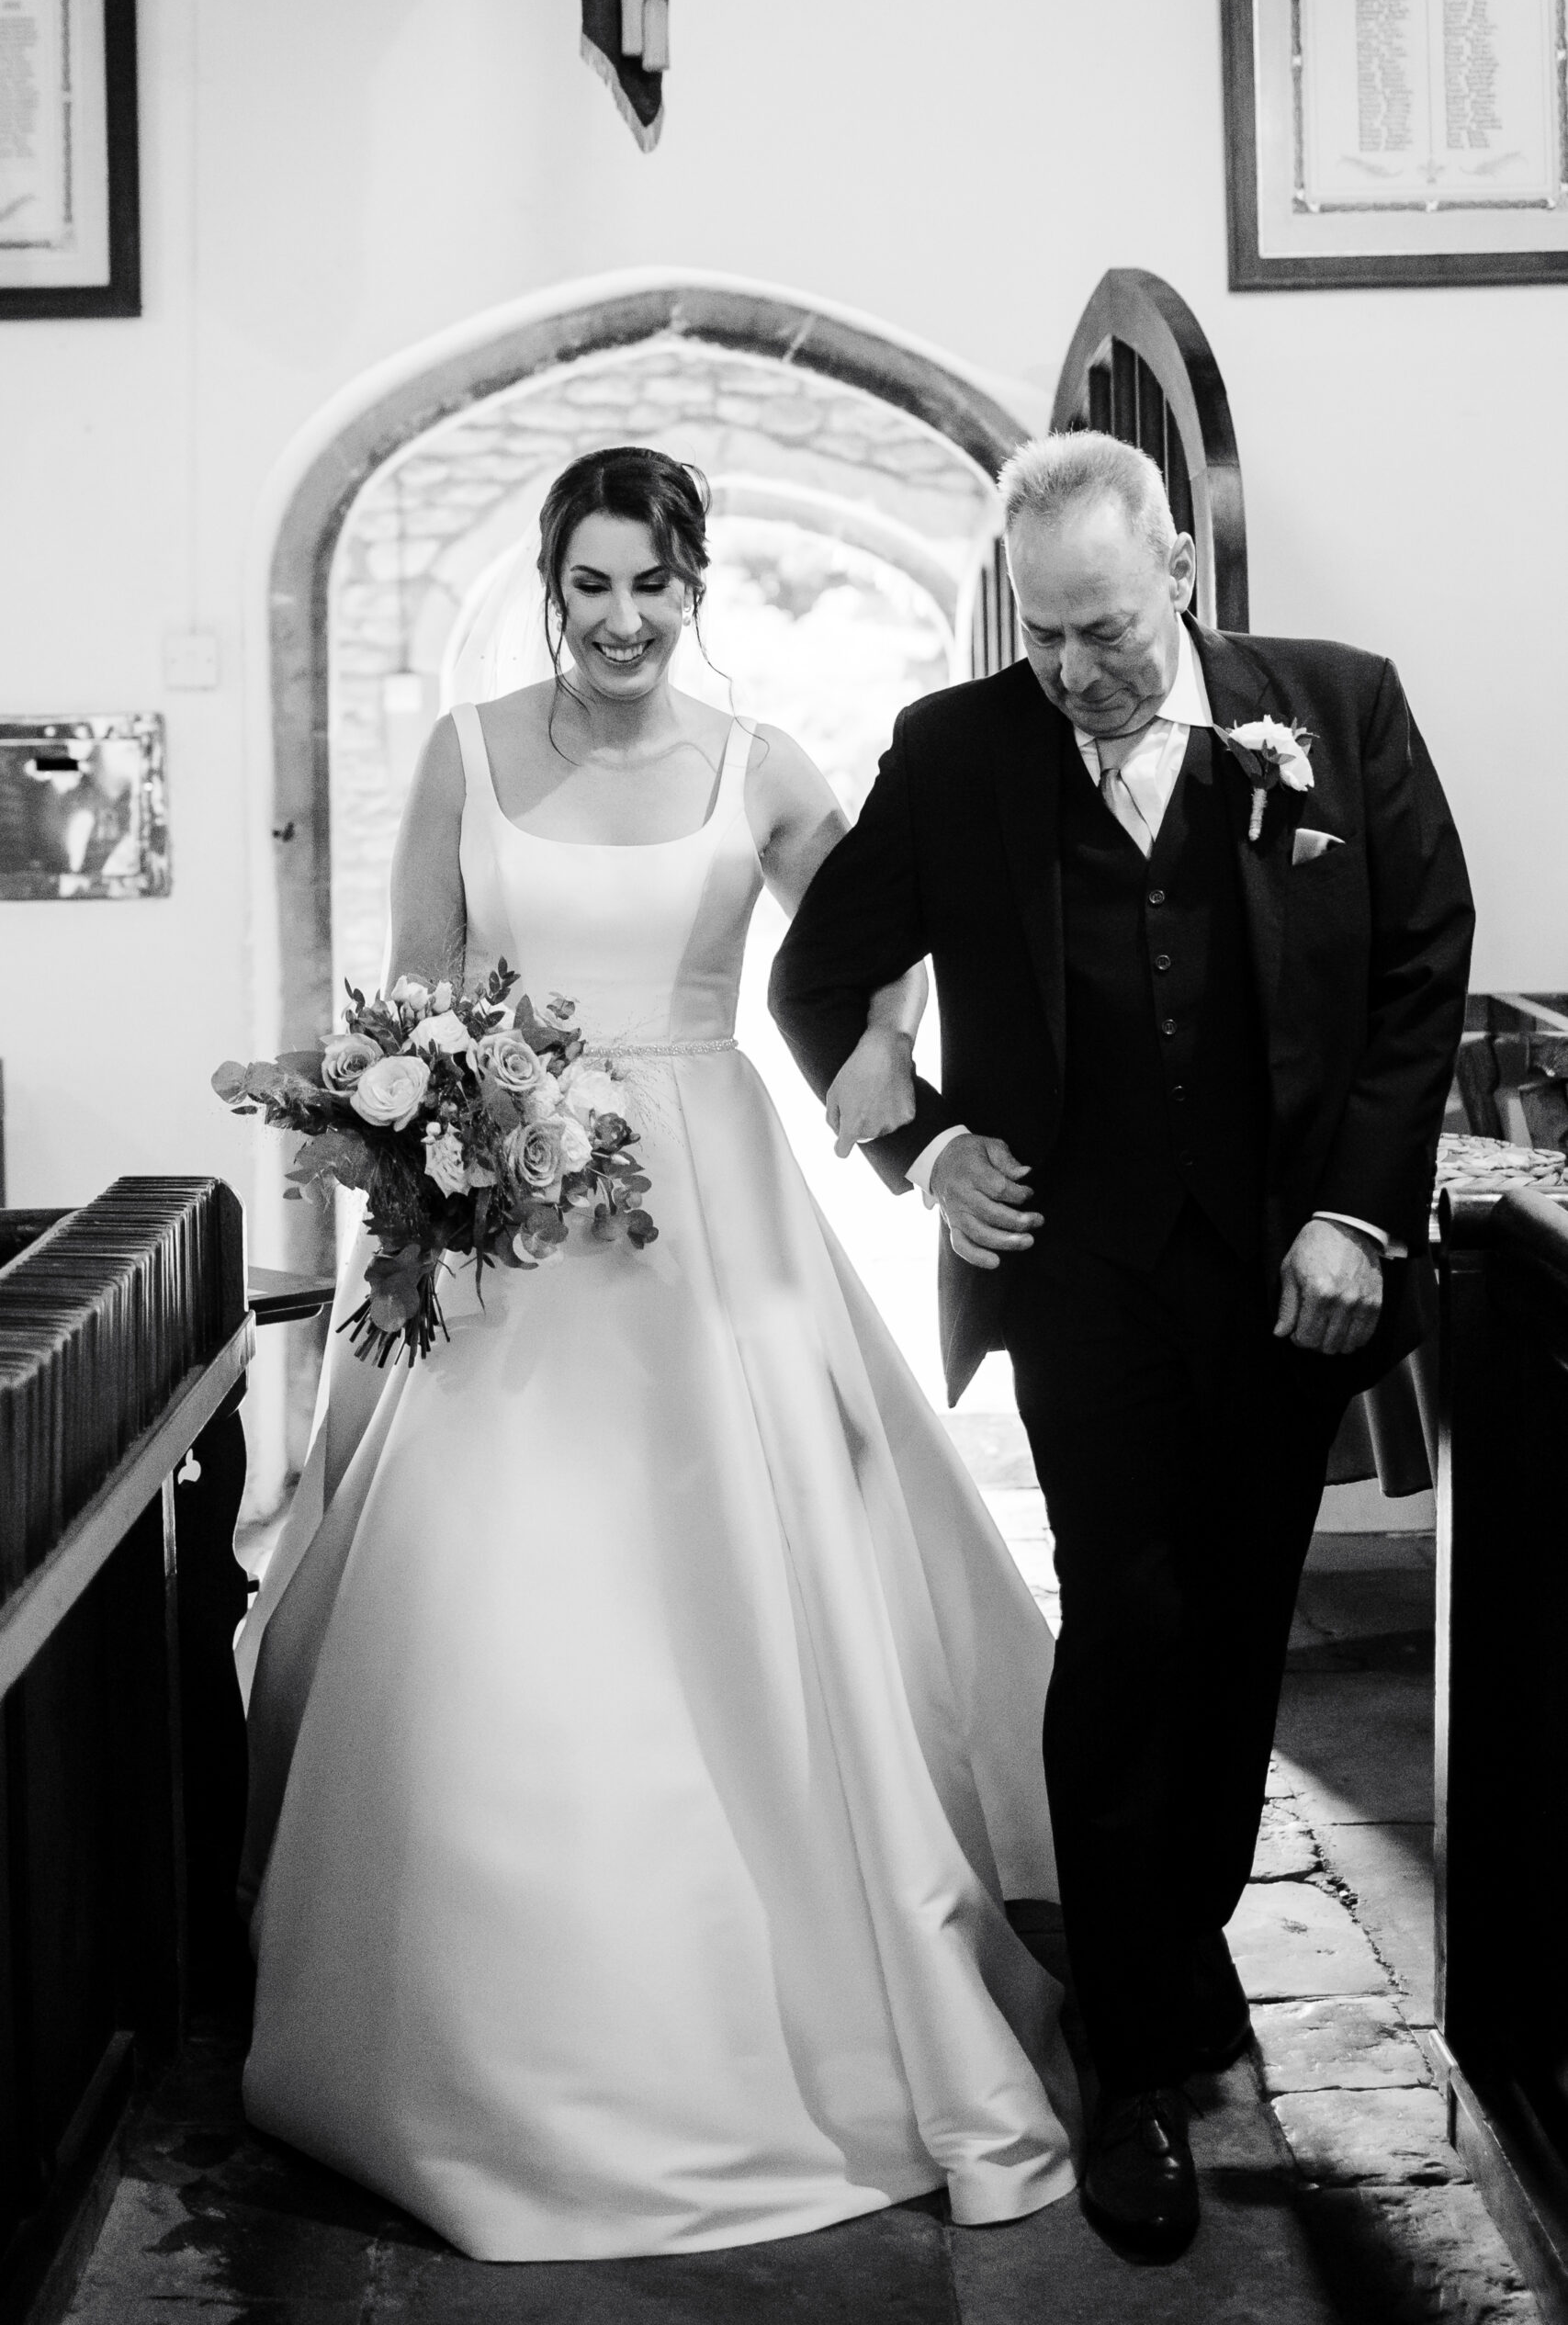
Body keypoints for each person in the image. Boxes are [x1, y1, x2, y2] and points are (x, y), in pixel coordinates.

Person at [236, 446, 1082, 2262]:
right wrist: (439, 1148)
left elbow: (864, 961)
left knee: (748, 1584)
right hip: (510, 1226)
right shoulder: (464, 754)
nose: (621, 620)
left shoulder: (757, 768)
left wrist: (913, 1113)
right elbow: (414, 996)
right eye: (590, 585)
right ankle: (471, 2029)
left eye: (653, 587)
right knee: (483, 1598)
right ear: (552, 583)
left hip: (707, 1210)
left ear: (694, 590)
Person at [770, 430, 1473, 2262]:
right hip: (1080, 1272)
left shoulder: (1332, 709)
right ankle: (1134, 2054)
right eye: (1045, 635)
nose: (1076, 673)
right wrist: (916, 1141)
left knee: (1241, 1617)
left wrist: (1352, 1210)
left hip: (1284, 1270)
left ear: (1177, 571)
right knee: (1131, 1609)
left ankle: (1174, 1934)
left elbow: (1416, 965)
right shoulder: (955, 753)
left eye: (1104, 630)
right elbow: (814, 973)